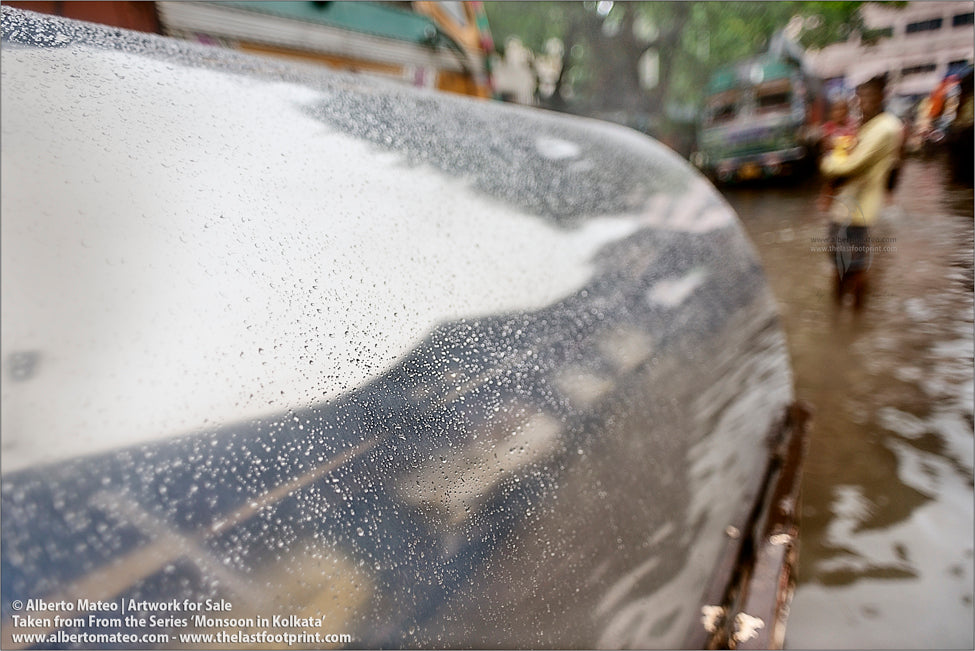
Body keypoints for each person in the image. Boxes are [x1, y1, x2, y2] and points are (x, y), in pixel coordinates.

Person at [820, 74, 903, 308]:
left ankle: (848, 324)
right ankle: (844, 325)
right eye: (860, 96)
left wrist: (827, 162)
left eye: (869, 95)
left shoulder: (884, 128)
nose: (863, 102)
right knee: (842, 267)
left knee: (852, 269)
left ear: (882, 96)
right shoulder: (871, 126)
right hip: (848, 207)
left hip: (855, 212)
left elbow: (852, 165)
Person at [816, 97, 859, 212]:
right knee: (830, 184)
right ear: (831, 113)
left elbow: (856, 141)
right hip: (834, 162)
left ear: (847, 112)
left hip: (850, 162)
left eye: (842, 110)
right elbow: (825, 145)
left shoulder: (852, 126)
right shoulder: (828, 128)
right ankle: (827, 202)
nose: (839, 113)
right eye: (836, 110)